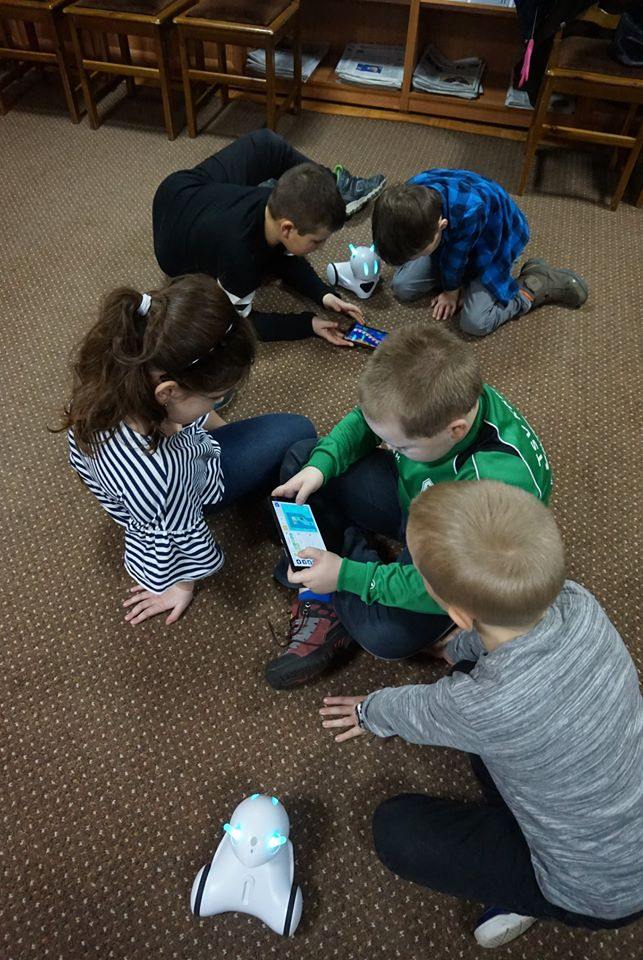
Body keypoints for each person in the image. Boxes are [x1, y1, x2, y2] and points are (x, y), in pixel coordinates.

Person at [319, 480, 643, 949]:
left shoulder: (483, 703)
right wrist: (457, 650)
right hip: (617, 821)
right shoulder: (578, 601)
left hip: (593, 893)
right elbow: (479, 645)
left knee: (394, 830)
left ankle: (532, 899)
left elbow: (418, 711)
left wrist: (368, 711)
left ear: (456, 613)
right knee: (471, 677)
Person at [266, 323, 551, 689]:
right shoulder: (438, 399)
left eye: (399, 447)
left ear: (456, 430)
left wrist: (348, 575)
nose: (388, 447)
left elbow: (449, 585)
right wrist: (322, 465)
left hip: (456, 555)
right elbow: (367, 422)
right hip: (419, 508)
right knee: (303, 461)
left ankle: (330, 577)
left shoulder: (495, 489)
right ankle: (330, 578)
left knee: (385, 635)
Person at [63, 274, 316, 626]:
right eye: (216, 397)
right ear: (167, 392)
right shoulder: (164, 477)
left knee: (255, 435)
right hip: (188, 489)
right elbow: (176, 535)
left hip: (146, 486)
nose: (220, 401)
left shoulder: (112, 384)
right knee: (299, 431)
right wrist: (181, 586)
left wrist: (221, 428)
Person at [153, 129, 386, 345]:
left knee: (267, 145)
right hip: (172, 237)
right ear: (287, 229)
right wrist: (309, 324)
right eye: (316, 241)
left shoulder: (272, 201)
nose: (322, 247)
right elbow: (240, 324)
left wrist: (323, 294)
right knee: (251, 275)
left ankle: (325, 187)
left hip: (188, 186)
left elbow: (281, 255)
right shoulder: (241, 257)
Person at [372, 171, 588, 337]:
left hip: (495, 243)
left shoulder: (469, 212)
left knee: (475, 323)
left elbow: (456, 258)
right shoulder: (411, 195)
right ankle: (461, 281)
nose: (413, 260)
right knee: (402, 287)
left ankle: (535, 285)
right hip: (453, 238)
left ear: (441, 226)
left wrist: (452, 291)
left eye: (417, 254)